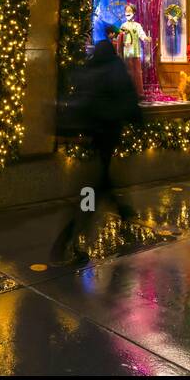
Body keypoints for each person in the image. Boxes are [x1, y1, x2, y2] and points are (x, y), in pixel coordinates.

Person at [52, 39, 144, 265]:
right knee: (94, 188)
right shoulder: (116, 69)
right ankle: (70, 238)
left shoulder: (89, 68)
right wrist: (138, 121)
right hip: (108, 136)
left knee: (101, 182)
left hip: (93, 137)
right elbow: (129, 100)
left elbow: (79, 99)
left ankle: (120, 213)